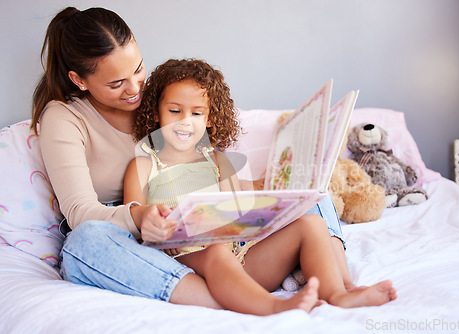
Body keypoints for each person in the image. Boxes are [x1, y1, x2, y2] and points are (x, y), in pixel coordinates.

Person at [31, 6, 389, 311]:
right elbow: (80, 214)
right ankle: (235, 302)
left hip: (224, 232)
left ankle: (339, 287)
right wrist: (140, 217)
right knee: (85, 244)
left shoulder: (161, 104)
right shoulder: (65, 119)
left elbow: (227, 185)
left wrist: (274, 188)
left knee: (314, 193)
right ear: (79, 80)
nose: (135, 88)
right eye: (116, 83)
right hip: (142, 233)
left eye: (139, 69)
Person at [123, 58, 397, 314]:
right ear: (156, 111)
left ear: (209, 120)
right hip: (183, 266)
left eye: (196, 113)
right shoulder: (144, 166)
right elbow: (130, 223)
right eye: (174, 110)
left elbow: (238, 214)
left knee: (311, 224)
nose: (185, 121)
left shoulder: (218, 162)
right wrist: (158, 231)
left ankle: (337, 294)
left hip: (240, 261)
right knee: (216, 251)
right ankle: (274, 307)